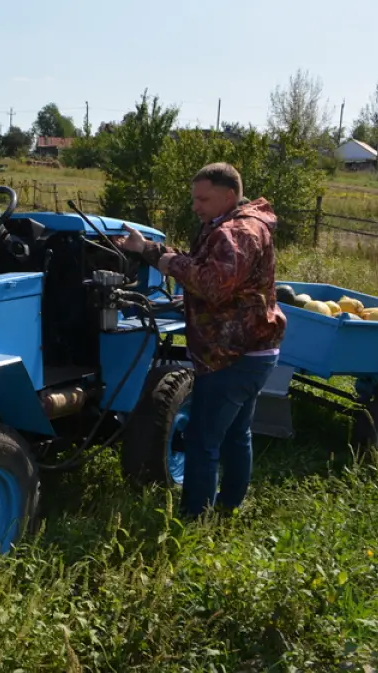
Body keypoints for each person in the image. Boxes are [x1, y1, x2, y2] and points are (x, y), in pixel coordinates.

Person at [118, 162, 287, 518]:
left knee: (202, 441)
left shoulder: (237, 232)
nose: (195, 206)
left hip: (232, 354)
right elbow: (205, 270)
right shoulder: (232, 225)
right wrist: (146, 248)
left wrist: (166, 263)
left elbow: (211, 284)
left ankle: (193, 519)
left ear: (228, 196)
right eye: (194, 198)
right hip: (254, 348)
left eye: (203, 199)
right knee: (236, 433)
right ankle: (229, 507)